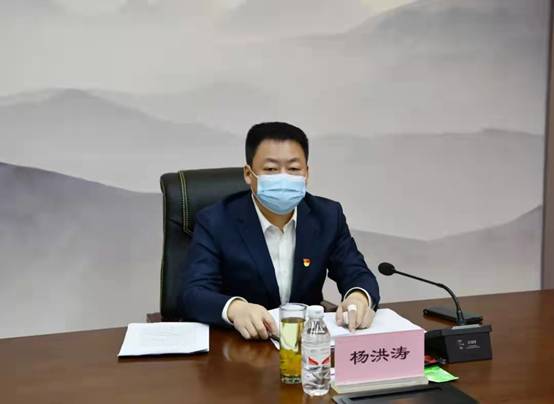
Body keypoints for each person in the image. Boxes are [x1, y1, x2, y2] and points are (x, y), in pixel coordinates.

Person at [181, 122, 380, 340]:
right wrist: (235, 309)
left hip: (306, 345)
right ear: (248, 173)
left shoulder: (327, 216)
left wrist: (358, 297)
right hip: (241, 345)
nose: (283, 178)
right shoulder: (216, 221)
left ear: (306, 173)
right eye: (271, 169)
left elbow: (356, 273)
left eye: (294, 169)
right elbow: (194, 293)